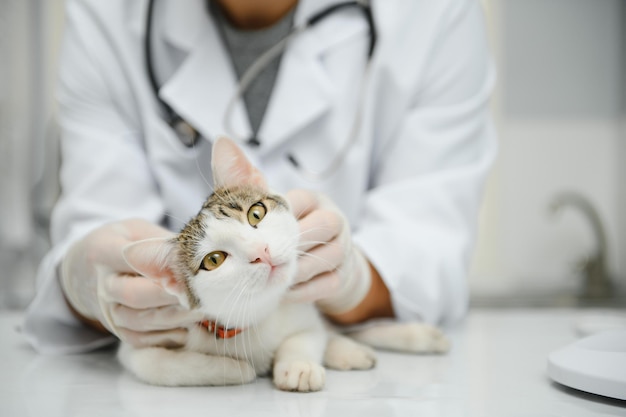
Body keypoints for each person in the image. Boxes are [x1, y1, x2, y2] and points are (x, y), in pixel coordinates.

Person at [23, 0, 496, 354]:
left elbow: (429, 243)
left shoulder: (433, 13)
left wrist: (350, 277)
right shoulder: (107, 13)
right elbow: (98, 221)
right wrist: (87, 283)